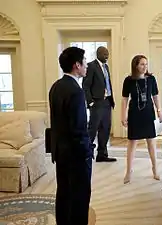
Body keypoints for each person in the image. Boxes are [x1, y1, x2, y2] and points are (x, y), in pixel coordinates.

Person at [49, 46, 93, 225]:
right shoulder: (76, 91)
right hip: (76, 155)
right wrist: (88, 151)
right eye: (84, 63)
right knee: (80, 197)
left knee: (64, 193)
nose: (86, 66)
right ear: (76, 65)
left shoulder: (56, 86)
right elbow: (78, 129)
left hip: (60, 151)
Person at [121, 55, 162, 184]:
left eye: (146, 64)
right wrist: (123, 115)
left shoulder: (151, 79)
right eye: (142, 64)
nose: (145, 67)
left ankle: (155, 168)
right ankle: (129, 171)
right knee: (132, 143)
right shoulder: (128, 80)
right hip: (134, 113)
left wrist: (159, 111)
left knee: (151, 142)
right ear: (135, 66)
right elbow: (124, 99)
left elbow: (155, 96)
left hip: (148, 113)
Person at [83, 46, 116, 162]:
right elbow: (85, 85)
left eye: (107, 54)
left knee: (105, 129)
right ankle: (85, 153)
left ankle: (102, 155)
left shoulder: (106, 66)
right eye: (104, 54)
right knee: (92, 129)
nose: (107, 56)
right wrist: (90, 102)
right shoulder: (91, 66)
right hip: (96, 103)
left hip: (107, 102)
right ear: (98, 54)